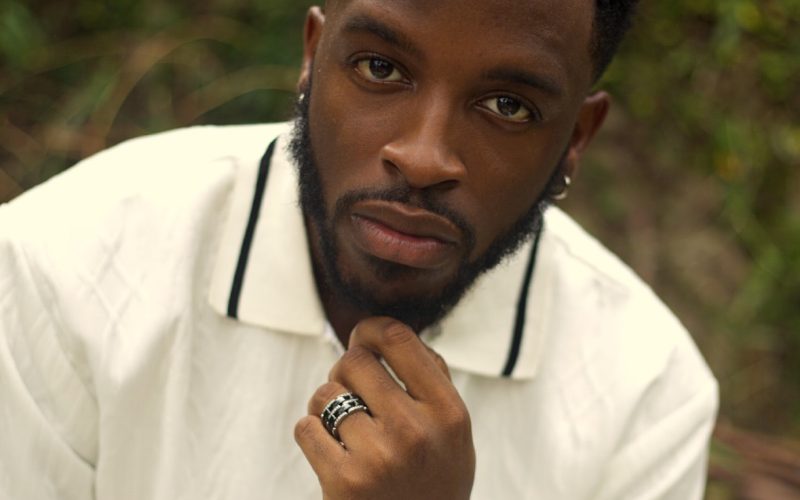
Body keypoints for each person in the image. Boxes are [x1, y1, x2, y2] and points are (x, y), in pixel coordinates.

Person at [0, 0, 718, 499]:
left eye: (508, 106)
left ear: (575, 140)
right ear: (313, 57)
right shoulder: (63, 269)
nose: (424, 157)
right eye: (380, 68)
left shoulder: (645, 394)